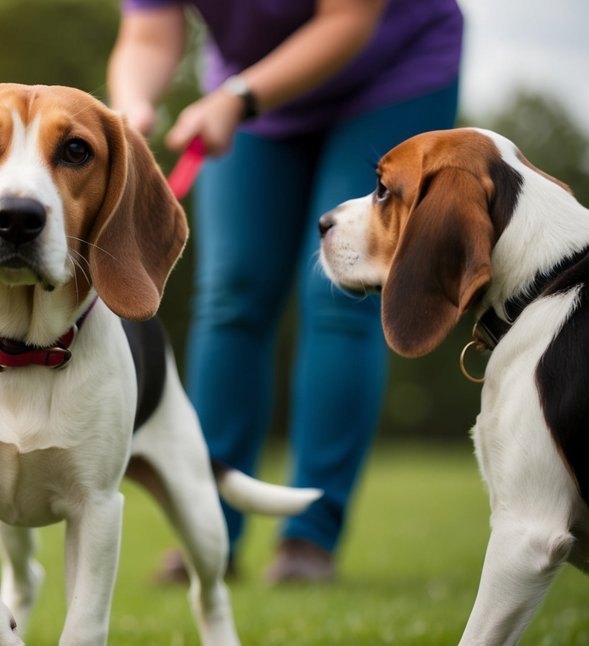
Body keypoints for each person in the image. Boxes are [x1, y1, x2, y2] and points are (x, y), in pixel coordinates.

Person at [107, 0, 463, 583]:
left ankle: (309, 540)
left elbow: (347, 19)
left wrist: (238, 98)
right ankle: (209, 531)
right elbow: (148, 33)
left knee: (338, 297)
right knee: (232, 294)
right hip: (251, 95)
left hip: (388, 73)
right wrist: (129, 110)